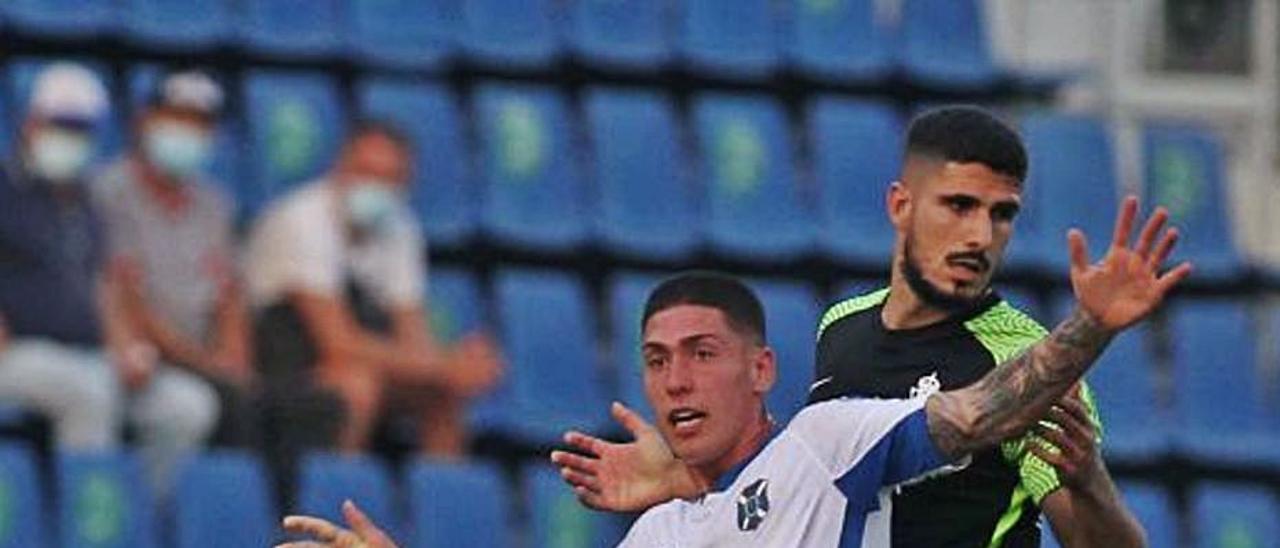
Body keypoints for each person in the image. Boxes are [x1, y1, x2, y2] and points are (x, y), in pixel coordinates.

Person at [279, 197, 1188, 546]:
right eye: (657, 362)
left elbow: (984, 412)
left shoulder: (829, 447)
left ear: (762, 370)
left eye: (701, 356)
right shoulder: (662, 536)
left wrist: (1089, 328)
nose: (676, 381)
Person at [555, 105, 1148, 547]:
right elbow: (819, 474)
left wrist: (1091, 481)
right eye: (959, 206)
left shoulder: (1028, 360)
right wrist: (693, 475)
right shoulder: (844, 326)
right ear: (901, 206)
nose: (979, 236)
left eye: (1002, 215)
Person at [0, 62, 219, 492]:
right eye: (62, 124)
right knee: (91, 394)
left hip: (85, 356)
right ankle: (91, 531)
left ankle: (143, 521)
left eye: (83, 128)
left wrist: (127, 349)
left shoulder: (86, 200)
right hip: (15, 352)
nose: (71, 137)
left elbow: (106, 287)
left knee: (188, 405)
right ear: (31, 122)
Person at [244, 120, 502, 458]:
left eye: (389, 178)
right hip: (274, 364)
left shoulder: (400, 226)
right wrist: (444, 364)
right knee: (356, 387)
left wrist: (455, 367)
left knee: (441, 395)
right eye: (365, 171)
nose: (376, 186)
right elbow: (338, 343)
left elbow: (412, 335)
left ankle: (439, 503)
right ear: (339, 169)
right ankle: (336, 503)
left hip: (353, 361)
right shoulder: (300, 220)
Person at [92, 69, 257, 449]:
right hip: (147, 354)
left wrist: (234, 358)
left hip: (205, 361)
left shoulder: (215, 204)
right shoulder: (108, 193)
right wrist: (205, 364)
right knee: (225, 405)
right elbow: (127, 299)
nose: (187, 133)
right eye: (177, 119)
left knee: (269, 403)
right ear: (144, 121)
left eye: (199, 124)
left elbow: (229, 295)